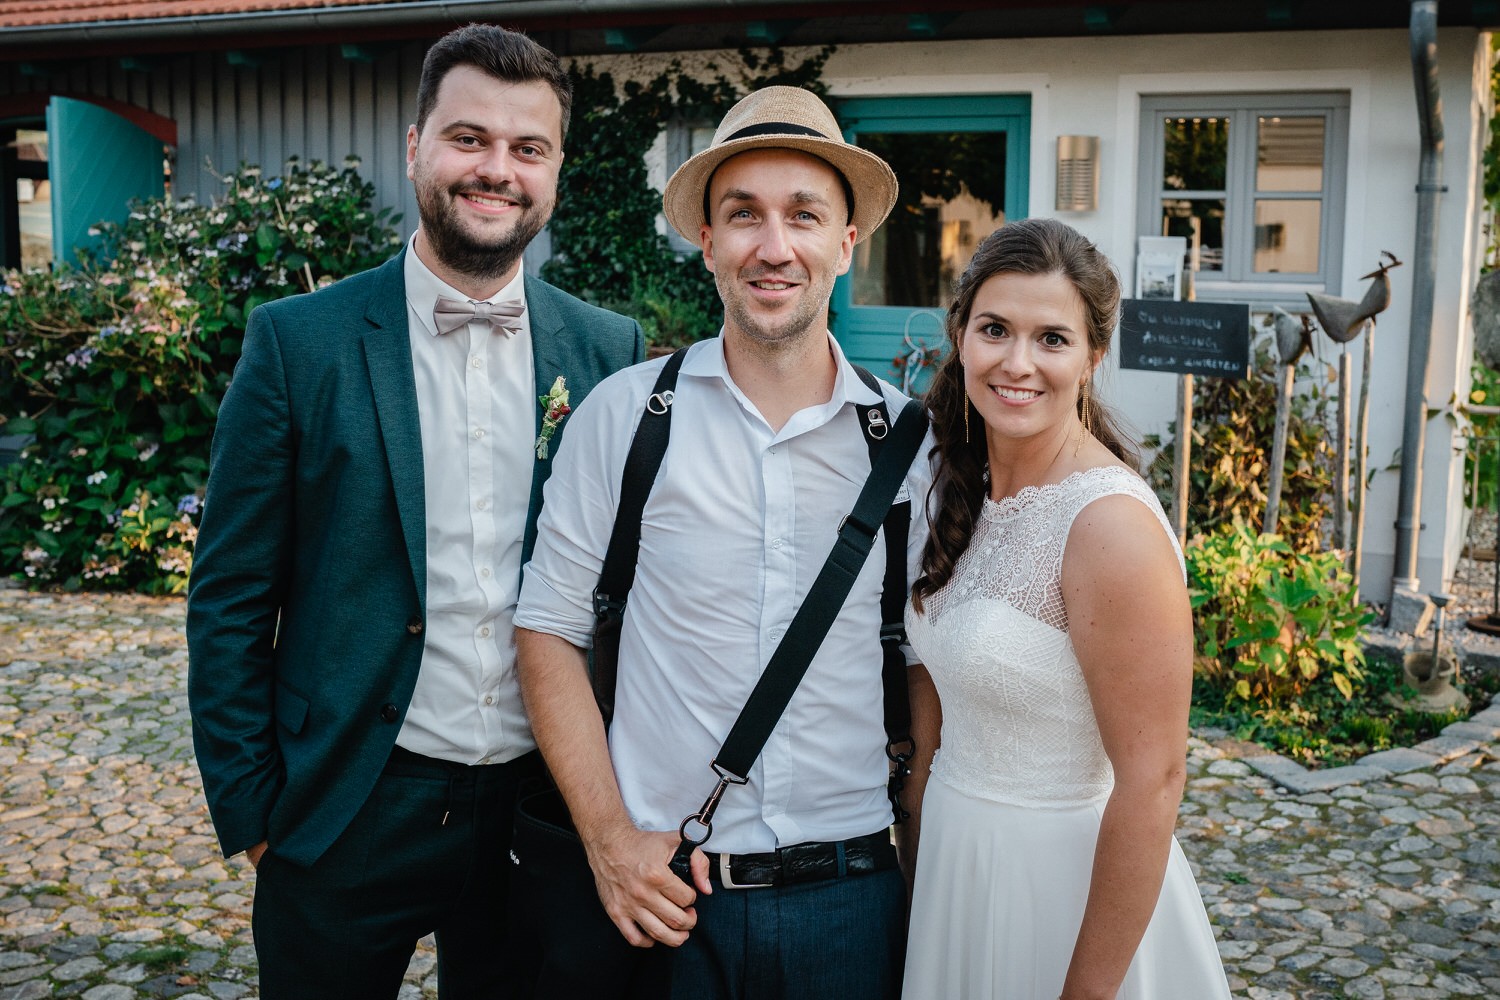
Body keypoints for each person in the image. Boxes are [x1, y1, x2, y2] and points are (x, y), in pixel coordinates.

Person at [185, 24, 643, 1000]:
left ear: (556, 167)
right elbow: (228, 594)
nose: (497, 170)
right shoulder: (296, 345)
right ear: (415, 147)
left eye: (528, 148)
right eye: (468, 138)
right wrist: (257, 805)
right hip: (348, 804)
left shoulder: (610, 351)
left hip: (539, 809)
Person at [513, 85, 939, 1000]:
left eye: (804, 216)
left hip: (853, 900)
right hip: (667, 897)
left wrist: (932, 850)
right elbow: (546, 630)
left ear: (845, 244)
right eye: (743, 215)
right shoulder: (626, 420)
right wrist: (608, 840)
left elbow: (927, 666)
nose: (773, 246)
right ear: (706, 241)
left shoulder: (909, 445)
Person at [901, 217, 1232, 999]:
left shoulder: (1109, 526)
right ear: (961, 334)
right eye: (995, 330)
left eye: (1052, 338)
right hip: (957, 866)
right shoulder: (960, 486)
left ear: (1092, 356)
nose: (1018, 363)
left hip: (1057, 891)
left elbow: (1153, 781)